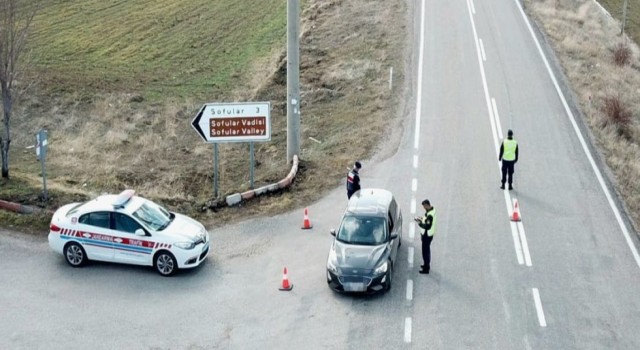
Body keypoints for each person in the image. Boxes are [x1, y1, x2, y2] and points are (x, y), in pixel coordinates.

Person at [414, 199, 436, 274]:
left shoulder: (430, 215)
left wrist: (420, 223)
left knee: (425, 252)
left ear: (427, 205)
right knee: (426, 251)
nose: (424, 208)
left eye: (424, 206)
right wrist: (422, 218)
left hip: (427, 235)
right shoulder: (431, 211)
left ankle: (426, 268)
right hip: (428, 235)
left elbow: (427, 226)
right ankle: (426, 265)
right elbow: (427, 220)